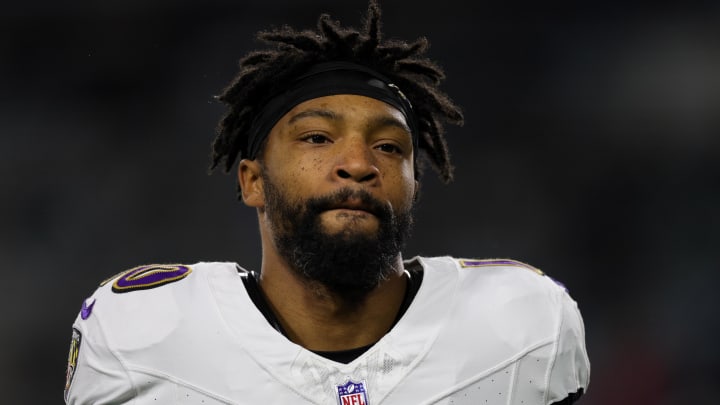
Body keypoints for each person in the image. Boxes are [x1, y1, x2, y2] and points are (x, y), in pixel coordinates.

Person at [64, 1, 590, 404]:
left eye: (389, 147)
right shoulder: (144, 335)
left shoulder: (521, 325)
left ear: (412, 185)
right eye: (317, 138)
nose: (358, 163)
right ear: (252, 182)